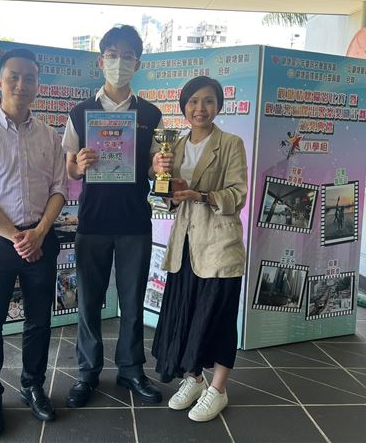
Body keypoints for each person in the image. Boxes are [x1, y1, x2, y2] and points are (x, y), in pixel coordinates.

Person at [62, 25, 169, 407]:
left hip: (134, 221)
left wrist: (159, 166)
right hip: (92, 221)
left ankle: (131, 369)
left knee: (132, 301)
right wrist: (79, 164)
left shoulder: (150, 114)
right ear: (100, 60)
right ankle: (87, 372)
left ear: (137, 64)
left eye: (127, 57)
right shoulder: (80, 113)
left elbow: (156, 169)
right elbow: (70, 169)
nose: (119, 63)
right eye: (112, 55)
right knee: (89, 303)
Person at [0, 48, 67, 437]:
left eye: (30, 78)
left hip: (41, 238)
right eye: (14, 77)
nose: (22, 85)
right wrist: (17, 238)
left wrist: (38, 233)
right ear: (0, 82)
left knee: (39, 321)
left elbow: (59, 189)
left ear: (38, 84)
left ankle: (33, 386)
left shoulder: (50, 137)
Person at [151, 76, 248, 422]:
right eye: (193, 101)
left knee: (218, 319)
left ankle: (218, 390)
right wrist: (164, 182)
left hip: (219, 245)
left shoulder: (230, 144)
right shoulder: (175, 145)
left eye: (208, 101)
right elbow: (167, 199)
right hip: (185, 246)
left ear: (218, 105)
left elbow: (238, 195)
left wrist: (200, 195)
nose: (200, 108)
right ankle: (193, 379)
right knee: (188, 314)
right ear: (184, 106)